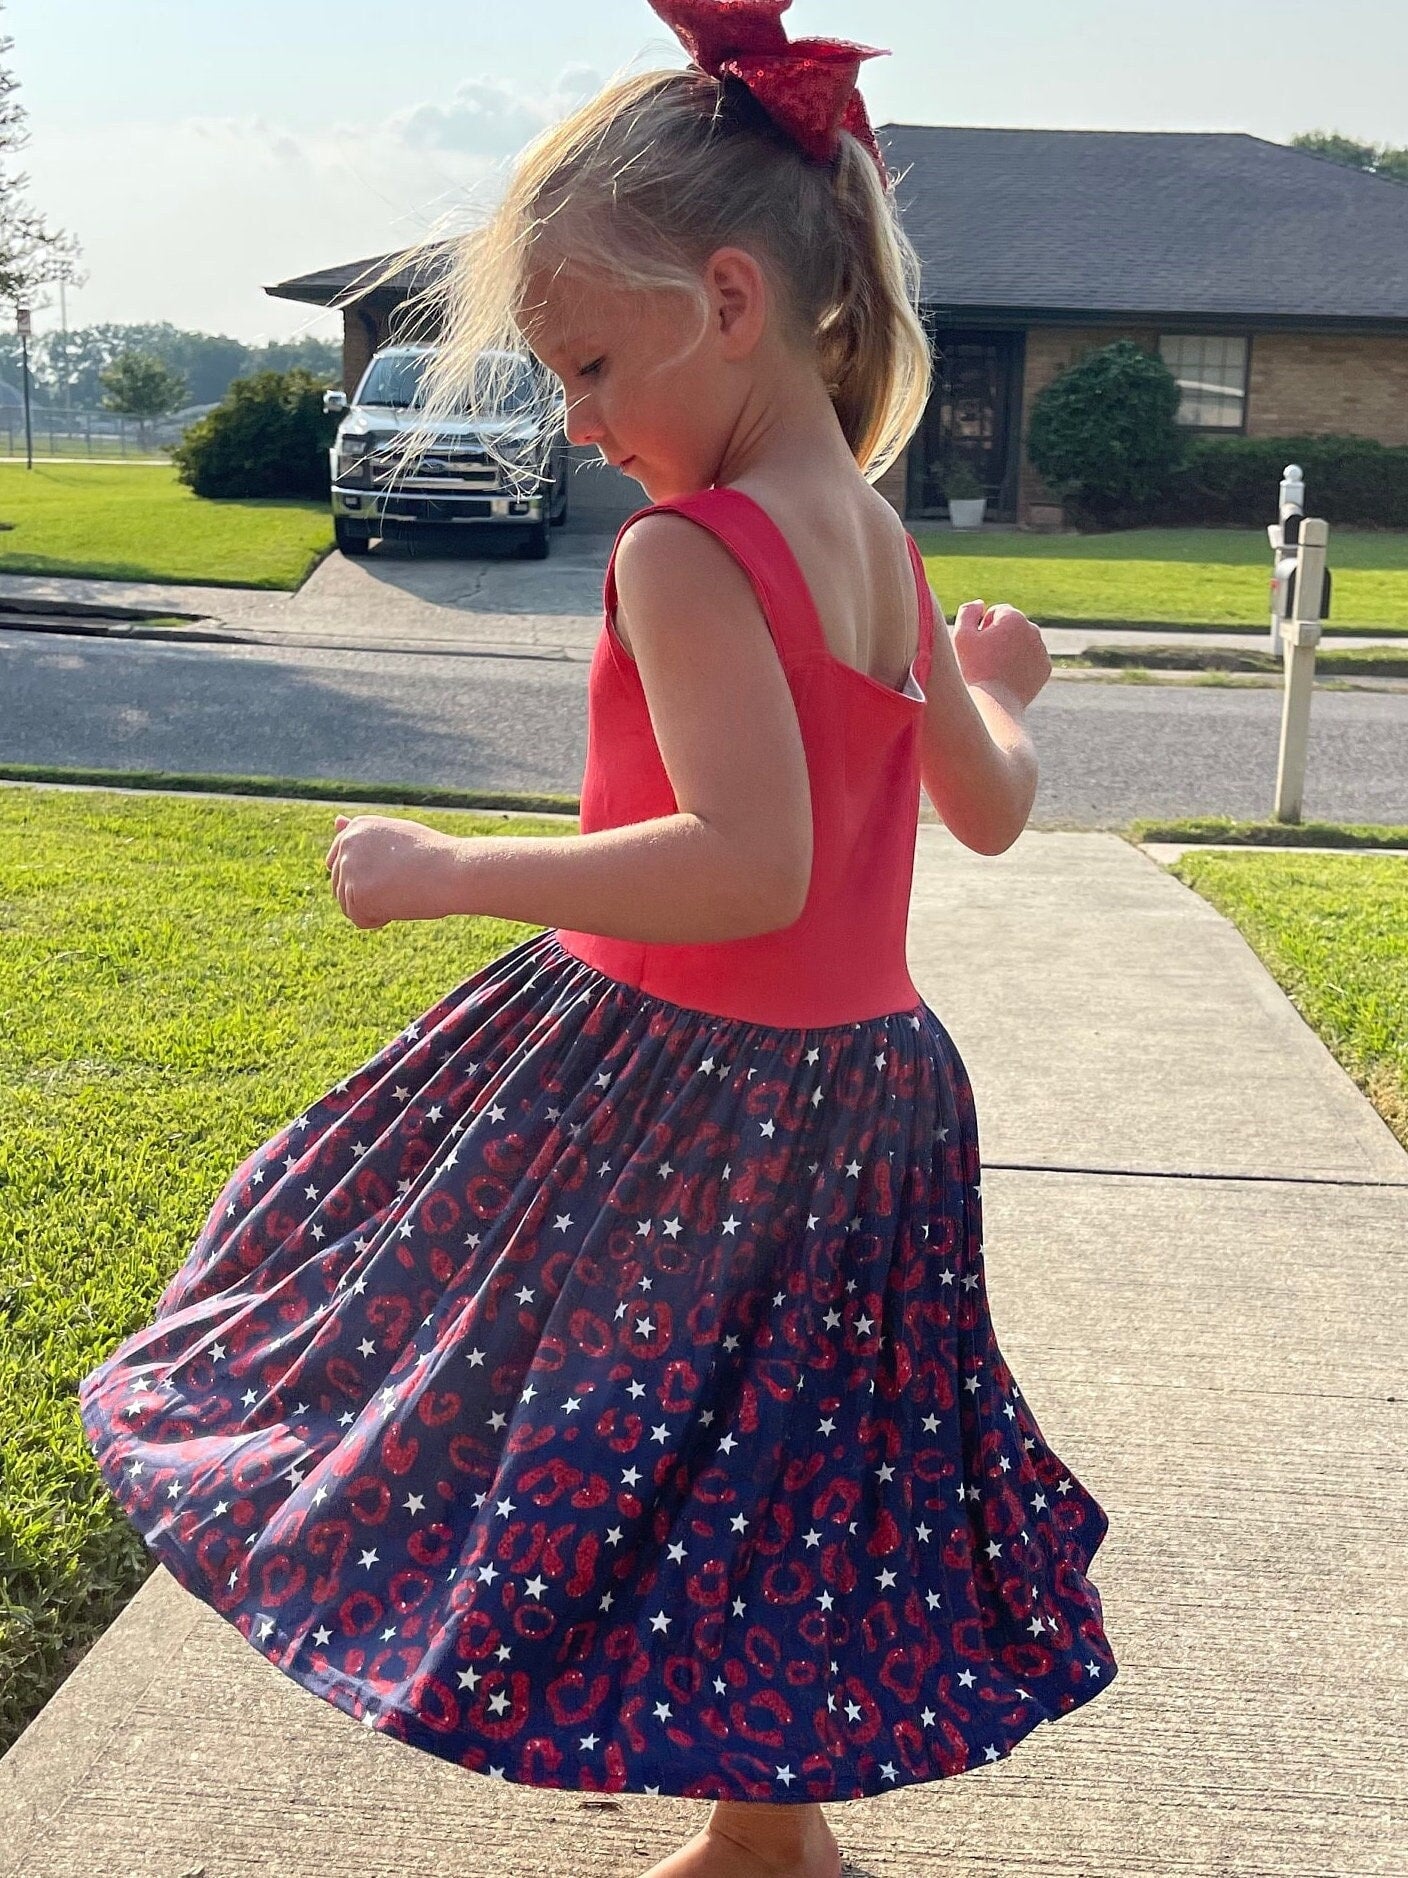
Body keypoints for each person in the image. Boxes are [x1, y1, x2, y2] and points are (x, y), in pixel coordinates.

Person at [78, 4, 1117, 1874]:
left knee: (452, 1365)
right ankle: (766, 1834)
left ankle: (732, 1815)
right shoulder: (876, 536)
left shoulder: (690, 551)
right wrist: (1004, 686)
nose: (571, 421)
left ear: (728, 299)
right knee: (774, 1462)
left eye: (582, 364)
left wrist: (455, 868)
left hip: (694, 1083)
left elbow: (746, 865)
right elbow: (993, 802)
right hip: (866, 1095)